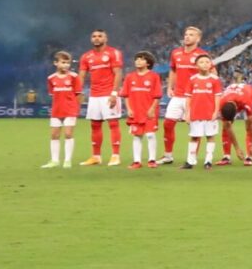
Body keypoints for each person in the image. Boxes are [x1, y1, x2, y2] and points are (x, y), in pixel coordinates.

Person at [78, 29, 125, 168]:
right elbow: (81, 76)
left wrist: (114, 94)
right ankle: (96, 156)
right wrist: (78, 93)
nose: (96, 38)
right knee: (95, 125)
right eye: (94, 36)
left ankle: (115, 156)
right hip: (94, 95)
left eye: (100, 36)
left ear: (106, 38)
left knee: (113, 124)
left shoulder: (113, 53)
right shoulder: (86, 56)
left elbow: (118, 74)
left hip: (109, 94)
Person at [163, 25, 204, 168]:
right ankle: (168, 156)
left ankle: (191, 160)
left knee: (195, 128)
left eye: (191, 35)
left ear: (198, 39)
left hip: (194, 97)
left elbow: (212, 74)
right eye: (186, 34)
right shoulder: (176, 53)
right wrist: (169, 87)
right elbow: (173, 70)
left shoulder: (201, 56)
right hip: (178, 95)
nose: (187, 37)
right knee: (168, 124)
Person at [119, 51, 162, 168]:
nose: (138, 61)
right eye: (137, 59)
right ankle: (137, 161)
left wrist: (152, 109)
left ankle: (152, 160)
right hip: (135, 111)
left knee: (150, 135)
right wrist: (128, 109)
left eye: (142, 59)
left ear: (148, 63)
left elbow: (157, 95)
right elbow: (126, 95)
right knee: (137, 135)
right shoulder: (129, 77)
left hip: (149, 111)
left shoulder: (154, 76)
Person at [42, 50, 82, 169]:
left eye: (67, 63)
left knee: (68, 134)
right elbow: (53, 95)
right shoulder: (51, 78)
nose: (66, 65)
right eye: (63, 62)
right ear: (56, 63)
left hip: (70, 110)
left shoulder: (74, 77)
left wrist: (76, 109)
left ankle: (67, 160)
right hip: (56, 111)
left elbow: (78, 94)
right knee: (54, 135)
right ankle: (54, 160)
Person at [183, 53, 223, 169]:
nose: (205, 64)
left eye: (207, 62)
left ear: (211, 64)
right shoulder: (192, 79)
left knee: (210, 136)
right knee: (194, 137)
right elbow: (188, 97)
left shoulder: (215, 80)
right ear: (196, 65)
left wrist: (216, 111)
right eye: (201, 62)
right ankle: (190, 161)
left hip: (209, 113)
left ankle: (208, 161)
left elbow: (217, 96)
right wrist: (187, 113)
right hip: (195, 113)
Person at [218, 69, 252, 166]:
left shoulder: (246, 102)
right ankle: (226, 157)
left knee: (248, 125)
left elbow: (251, 123)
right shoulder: (221, 103)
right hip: (232, 95)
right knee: (225, 126)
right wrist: (237, 148)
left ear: (237, 110)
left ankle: (249, 156)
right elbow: (228, 126)